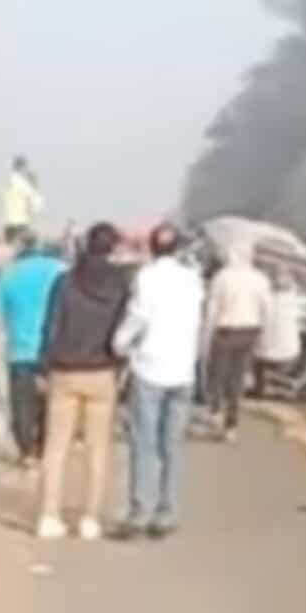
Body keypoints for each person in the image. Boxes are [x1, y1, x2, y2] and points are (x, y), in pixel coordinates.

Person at [36, 222, 131, 541]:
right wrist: (121, 366)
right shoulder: (120, 284)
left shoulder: (65, 282)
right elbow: (123, 330)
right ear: (113, 248)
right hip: (102, 371)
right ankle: (90, 518)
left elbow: (51, 326)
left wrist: (43, 366)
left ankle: (49, 515)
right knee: (97, 449)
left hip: (64, 370)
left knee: (56, 448)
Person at [111, 224, 203, 540]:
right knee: (173, 444)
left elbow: (138, 317)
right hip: (183, 370)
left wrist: (119, 343)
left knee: (144, 443)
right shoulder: (192, 279)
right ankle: (167, 512)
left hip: (150, 368)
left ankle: (139, 511)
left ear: (151, 247)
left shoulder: (147, 278)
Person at [0, 233, 67, 466]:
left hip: (20, 352)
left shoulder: (8, 275)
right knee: (51, 402)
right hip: (55, 350)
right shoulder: (60, 269)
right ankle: (45, 448)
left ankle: (27, 452)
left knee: (22, 404)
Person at [201, 242, 272, 443]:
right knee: (237, 378)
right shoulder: (260, 279)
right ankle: (231, 424)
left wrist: (206, 335)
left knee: (216, 375)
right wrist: (264, 335)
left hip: (224, 330)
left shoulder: (222, 277)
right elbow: (267, 309)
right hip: (250, 331)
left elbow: (212, 309)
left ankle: (215, 411)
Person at [252, 267, 304, 399]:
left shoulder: (262, 299)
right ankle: (286, 382)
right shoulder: (297, 301)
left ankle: (264, 384)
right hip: (289, 354)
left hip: (263, 353)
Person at [1, 156, 44, 244]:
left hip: (11, 221)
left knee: (11, 243)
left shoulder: (10, 181)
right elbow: (36, 202)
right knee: (19, 242)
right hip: (21, 222)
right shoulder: (23, 183)